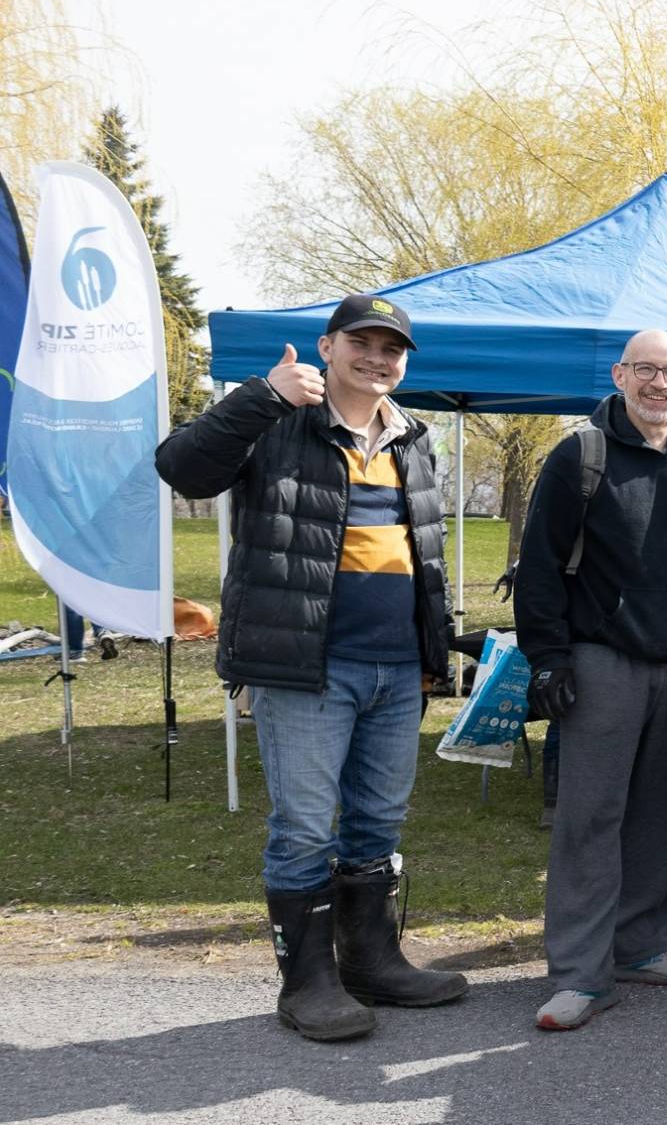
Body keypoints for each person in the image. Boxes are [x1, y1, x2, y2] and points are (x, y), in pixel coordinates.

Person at [154, 294, 465, 1042]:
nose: (378, 358)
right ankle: (307, 983)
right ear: (327, 348)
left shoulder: (412, 438)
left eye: (393, 349)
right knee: (301, 830)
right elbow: (181, 469)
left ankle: (371, 962)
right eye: (362, 342)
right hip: (306, 669)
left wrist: (435, 649)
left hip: (397, 671)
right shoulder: (278, 422)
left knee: (377, 824)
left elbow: (422, 555)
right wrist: (262, 395)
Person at [513, 329, 667, 1031]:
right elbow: (541, 564)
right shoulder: (577, 457)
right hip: (602, 661)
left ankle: (640, 947)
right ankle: (580, 976)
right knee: (591, 820)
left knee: (663, 816)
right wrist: (548, 657)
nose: (658, 384)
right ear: (619, 375)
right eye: (645, 370)